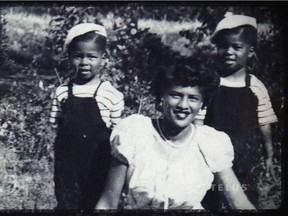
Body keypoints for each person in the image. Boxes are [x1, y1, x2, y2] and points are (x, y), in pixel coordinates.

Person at [95, 57, 256, 210]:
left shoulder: (210, 143)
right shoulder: (135, 133)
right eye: (176, 95)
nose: (183, 105)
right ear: (161, 97)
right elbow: (108, 202)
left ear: (202, 104)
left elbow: (238, 202)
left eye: (193, 98)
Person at [196, 13, 278, 209]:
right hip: (211, 160)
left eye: (237, 47)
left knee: (244, 199)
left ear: (250, 51)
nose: (229, 52)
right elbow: (198, 123)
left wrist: (268, 156)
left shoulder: (255, 86)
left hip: (245, 161)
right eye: (224, 46)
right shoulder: (211, 84)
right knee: (211, 200)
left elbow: (264, 122)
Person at [49, 23, 124, 211]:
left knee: (95, 204)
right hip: (68, 166)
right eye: (78, 56)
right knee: (67, 204)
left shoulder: (111, 95)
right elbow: (55, 126)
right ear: (69, 57)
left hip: (98, 165)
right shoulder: (62, 92)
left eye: (91, 57)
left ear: (103, 58)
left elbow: (118, 136)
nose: (84, 62)